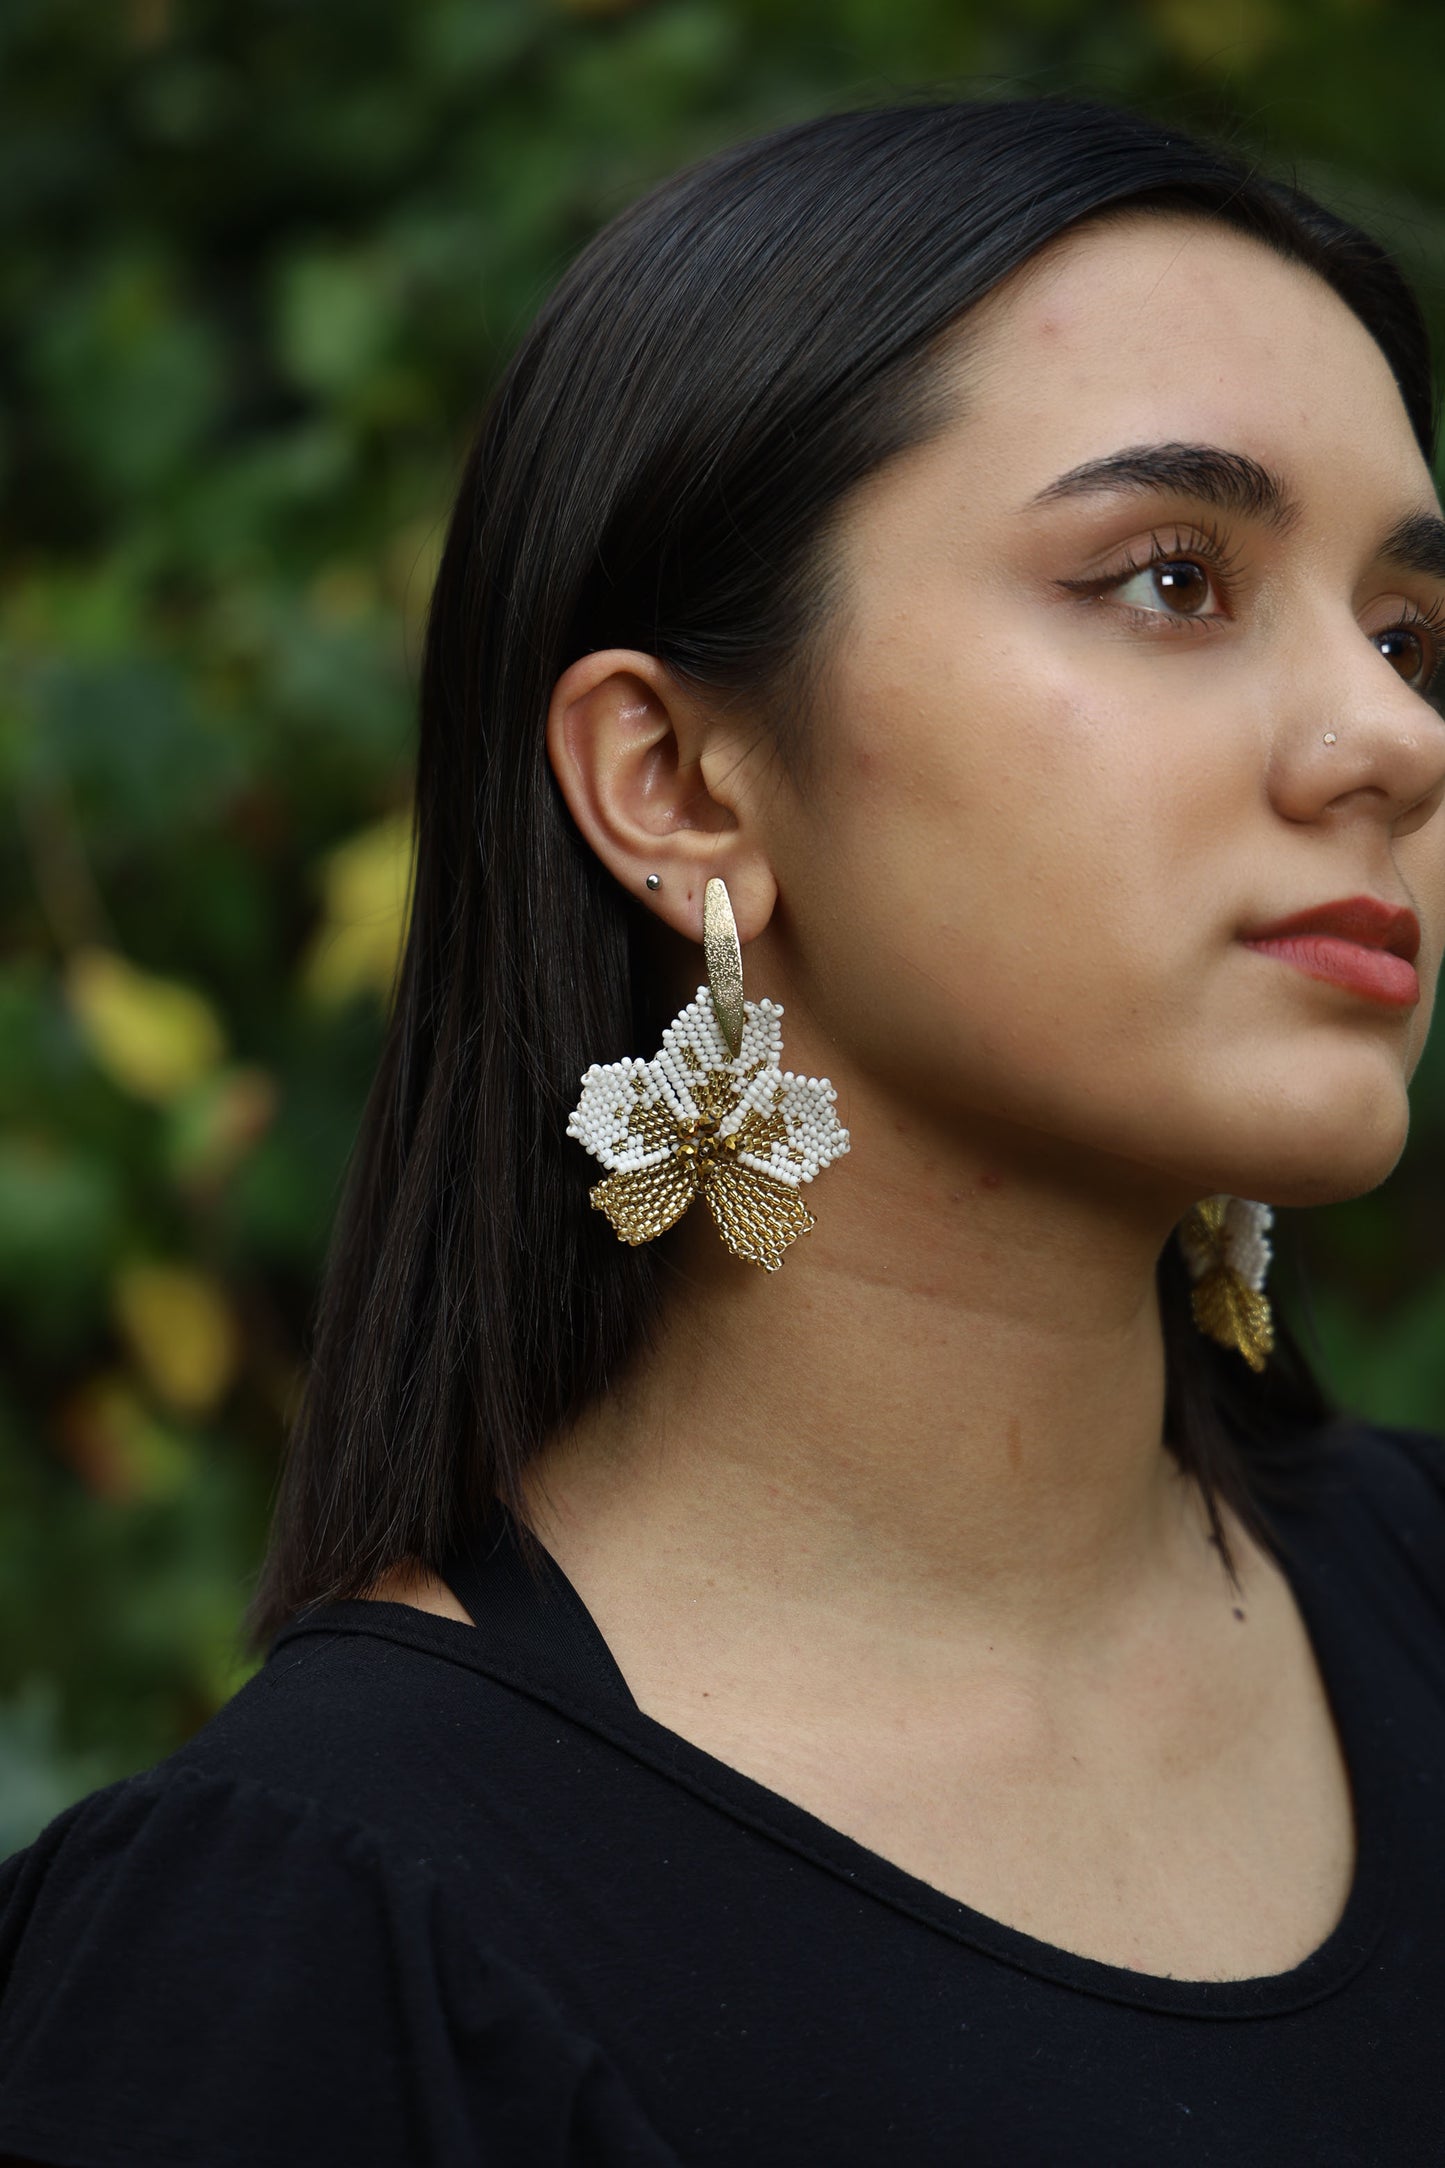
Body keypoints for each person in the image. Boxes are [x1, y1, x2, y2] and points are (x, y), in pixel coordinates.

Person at [3, 92, 1445, 2167]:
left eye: (1405, 633)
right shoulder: (313, 1944)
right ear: (674, 779)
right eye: (1168, 578)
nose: (1391, 736)